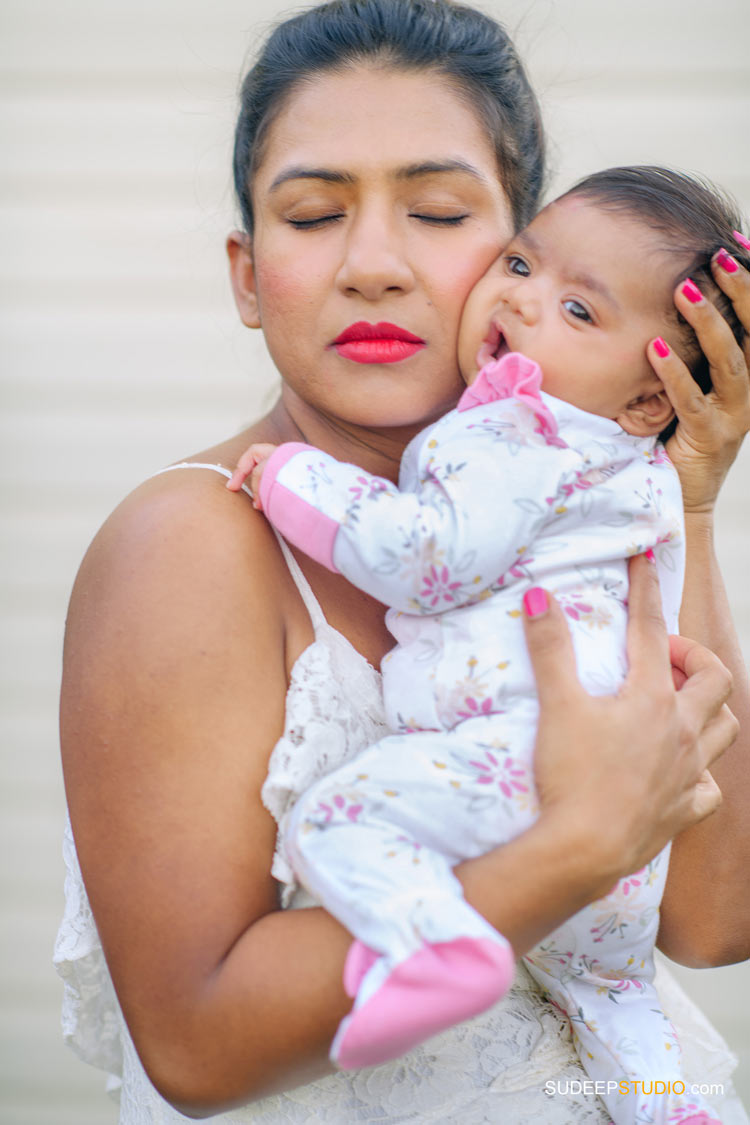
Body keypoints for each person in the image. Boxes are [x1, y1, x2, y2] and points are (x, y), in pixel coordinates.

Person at [53, 1, 750, 1122]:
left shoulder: (581, 514)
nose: (374, 265)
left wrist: (695, 500)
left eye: (437, 212)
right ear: (246, 275)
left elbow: (713, 922)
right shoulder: (191, 540)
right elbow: (193, 1042)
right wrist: (568, 850)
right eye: (314, 214)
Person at [228, 166, 748, 1124]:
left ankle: (432, 943)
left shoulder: (513, 432)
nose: (520, 297)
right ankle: (673, 1106)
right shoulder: (638, 476)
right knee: (616, 999)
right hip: (623, 858)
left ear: (650, 399)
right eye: (520, 264)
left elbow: (428, 554)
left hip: (518, 769)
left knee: (338, 827)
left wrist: (295, 476)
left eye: (579, 310)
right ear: (243, 267)